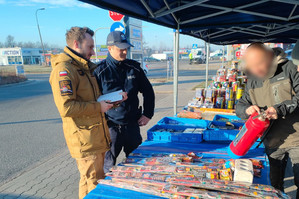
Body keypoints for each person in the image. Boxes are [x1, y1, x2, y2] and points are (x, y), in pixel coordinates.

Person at [49, 27, 117, 199]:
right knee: (93, 183)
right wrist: (98, 107)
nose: (93, 52)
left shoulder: (82, 66)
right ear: (76, 44)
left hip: (94, 136)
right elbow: (66, 107)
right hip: (85, 140)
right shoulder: (64, 70)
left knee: (90, 180)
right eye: (90, 47)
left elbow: (90, 99)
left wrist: (109, 101)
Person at [236, 42, 299, 198]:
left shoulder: (291, 68)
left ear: (270, 56)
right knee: (274, 184)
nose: (256, 70)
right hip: (272, 141)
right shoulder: (253, 80)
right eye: (252, 66)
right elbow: (240, 105)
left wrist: (280, 109)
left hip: (296, 138)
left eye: (259, 64)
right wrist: (247, 109)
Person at [94, 31, 155, 173]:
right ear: (109, 48)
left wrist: (148, 114)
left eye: (126, 48)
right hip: (110, 128)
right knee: (108, 168)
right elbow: (93, 101)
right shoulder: (99, 71)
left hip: (132, 126)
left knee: (137, 164)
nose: (124, 52)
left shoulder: (134, 68)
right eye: (120, 49)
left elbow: (148, 91)